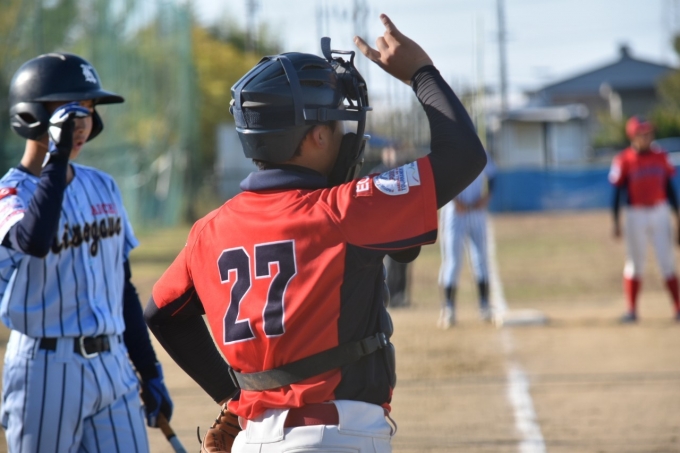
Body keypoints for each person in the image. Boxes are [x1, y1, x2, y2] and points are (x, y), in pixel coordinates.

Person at [145, 14, 486, 453]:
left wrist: (232, 394)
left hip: (253, 438)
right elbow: (464, 155)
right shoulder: (344, 209)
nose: (347, 133)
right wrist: (421, 72)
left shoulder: (207, 231)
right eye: (338, 123)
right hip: (334, 437)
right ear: (316, 137)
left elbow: (161, 314)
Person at [0, 52, 174, 452]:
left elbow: (122, 287)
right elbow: (34, 239)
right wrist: (57, 157)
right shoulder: (10, 193)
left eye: (89, 110)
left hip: (112, 364)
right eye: (71, 111)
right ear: (31, 115)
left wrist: (148, 369)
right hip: (44, 367)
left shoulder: (102, 186)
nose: (81, 124)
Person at [609, 115, 680, 323]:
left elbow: (670, 188)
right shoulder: (623, 159)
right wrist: (616, 222)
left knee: (667, 261)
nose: (647, 136)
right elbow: (617, 193)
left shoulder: (661, 156)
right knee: (635, 262)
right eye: (642, 133)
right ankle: (631, 310)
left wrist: (677, 217)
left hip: (659, 211)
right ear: (633, 136)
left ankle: (678, 308)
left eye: (649, 132)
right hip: (635, 214)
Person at [437, 150, 496, 328]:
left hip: (476, 210)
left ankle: (484, 306)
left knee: (481, 259)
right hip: (455, 212)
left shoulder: (480, 151)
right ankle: (448, 308)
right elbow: (441, 180)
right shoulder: (451, 151)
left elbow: (493, 176)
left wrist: (486, 198)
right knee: (453, 261)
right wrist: (455, 201)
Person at [371, 146, 413, 308]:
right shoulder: (378, 172)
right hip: (387, 226)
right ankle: (388, 295)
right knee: (389, 263)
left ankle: (400, 295)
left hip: (403, 225)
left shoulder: (404, 172)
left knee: (403, 262)